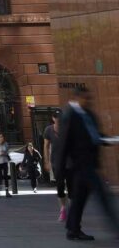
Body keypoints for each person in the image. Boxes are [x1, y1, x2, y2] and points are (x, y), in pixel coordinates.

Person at [57, 86, 119, 242]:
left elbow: (95, 136)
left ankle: (72, 230)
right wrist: (60, 169)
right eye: (86, 98)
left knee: (79, 199)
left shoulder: (89, 114)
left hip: (90, 163)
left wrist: (110, 139)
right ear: (77, 98)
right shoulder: (69, 115)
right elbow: (64, 143)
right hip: (80, 165)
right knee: (104, 195)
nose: (89, 101)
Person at [43, 111, 68, 223]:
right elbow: (46, 146)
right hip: (56, 162)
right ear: (53, 118)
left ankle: (72, 211)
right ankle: (63, 210)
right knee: (60, 186)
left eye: (60, 117)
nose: (58, 119)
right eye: (56, 117)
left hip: (69, 161)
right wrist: (46, 162)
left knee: (72, 187)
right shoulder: (48, 130)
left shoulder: (67, 128)